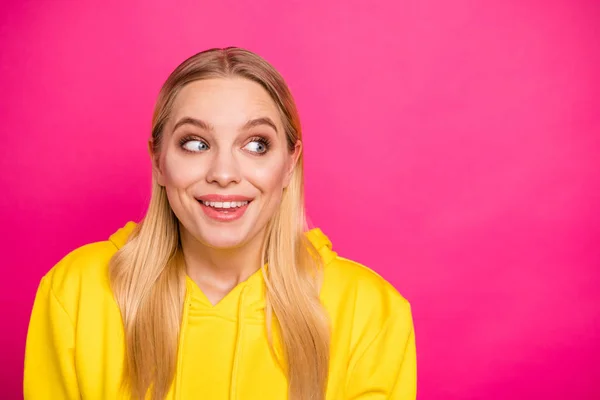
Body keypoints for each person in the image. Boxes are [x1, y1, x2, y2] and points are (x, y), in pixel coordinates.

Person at [23, 47, 416, 400]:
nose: (224, 173)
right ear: (159, 161)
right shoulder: (75, 292)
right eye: (195, 143)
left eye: (256, 144)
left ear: (289, 163)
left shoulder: (371, 312)